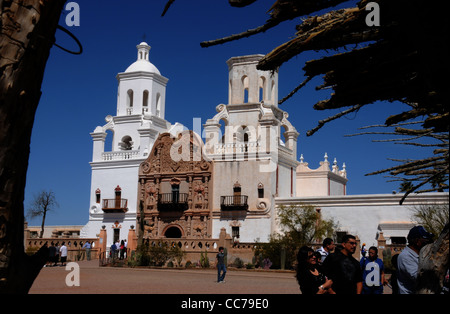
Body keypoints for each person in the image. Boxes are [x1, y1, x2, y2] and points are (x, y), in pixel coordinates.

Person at [397, 225, 434, 294]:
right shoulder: (405, 256)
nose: (428, 244)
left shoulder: (421, 254)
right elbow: (419, 278)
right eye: (426, 241)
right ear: (417, 241)